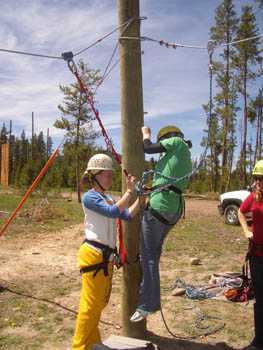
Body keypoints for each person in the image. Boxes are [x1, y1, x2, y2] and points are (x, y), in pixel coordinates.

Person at [72, 153, 141, 350]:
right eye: (107, 175)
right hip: (94, 255)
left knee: (99, 304)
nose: (111, 179)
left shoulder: (109, 198)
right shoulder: (90, 197)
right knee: (90, 306)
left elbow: (127, 215)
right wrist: (129, 192)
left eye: (112, 175)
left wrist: (142, 198)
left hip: (105, 257)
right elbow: (112, 212)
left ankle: (92, 342)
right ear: (95, 176)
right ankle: (80, 346)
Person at [130, 125, 192, 322]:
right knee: (153, 253)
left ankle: (147, 304)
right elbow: (169, 183)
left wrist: (145, 134)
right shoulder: (182, 157)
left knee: (148, 255)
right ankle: (147, 288)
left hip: (160, 208)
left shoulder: (176, 142)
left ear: (168, 138)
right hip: (172, 209)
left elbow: (148, 148)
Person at [238, 159, 263, 350]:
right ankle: (259, 341)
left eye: (261, 179)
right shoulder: (254, 197)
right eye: (256, 178)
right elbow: (240, 212)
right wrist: (247, 230)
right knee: (260, 299)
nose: (257, 182)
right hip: (256, 256)